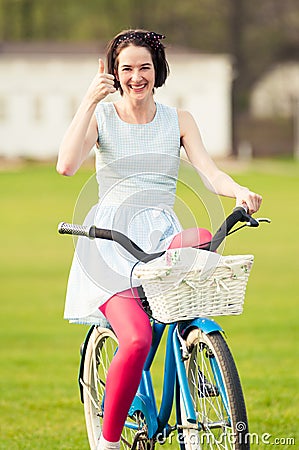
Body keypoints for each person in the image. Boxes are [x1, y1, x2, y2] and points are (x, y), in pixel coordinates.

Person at [57, 29, 262, 450]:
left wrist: (238, 189)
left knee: (203, 237)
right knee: (135, 340)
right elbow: (66, 166)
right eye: (126, 68)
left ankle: (194, 364)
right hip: (112, 246)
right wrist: (87, 102)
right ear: (114, 73)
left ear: (158, 71)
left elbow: (210, 171)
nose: (136, 77)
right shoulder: (103, 118)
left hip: (162, 233)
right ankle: (108, 443)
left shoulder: (178, 120)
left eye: (144, 67)